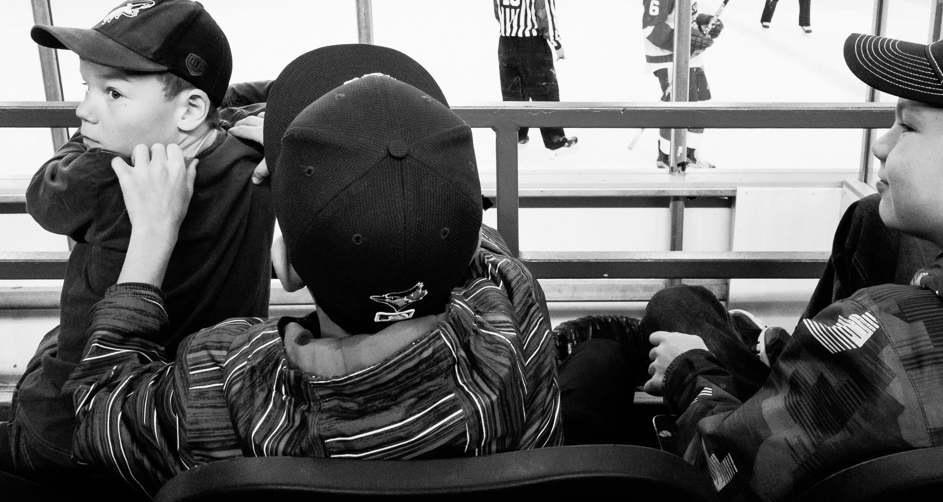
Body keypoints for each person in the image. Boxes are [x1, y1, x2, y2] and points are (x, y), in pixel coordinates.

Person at [55, 44, 563, 496]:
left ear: (288, 269)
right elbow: (470, 236)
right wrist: (377, 182)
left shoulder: (223, 379)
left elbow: (99, 410)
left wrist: (150, 239)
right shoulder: (511, 306)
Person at [561, 29, 943, 501]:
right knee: (870, 217)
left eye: (908, 127)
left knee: (672, 309)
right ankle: (779, 352)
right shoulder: (890, 317)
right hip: (825, 407)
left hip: (756, 458)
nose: (881, 145)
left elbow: (721, 472)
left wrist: (687, 373)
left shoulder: (878, 334)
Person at [0, 0, 275, 497]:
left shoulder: (107, 175)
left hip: (74, 433)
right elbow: (293, 86)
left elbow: (46, 194)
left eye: (113, 94)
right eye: (87, 86)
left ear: (193, 108)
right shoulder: (254, 153)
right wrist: (239, 113)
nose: (84, 110)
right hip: (194, 422)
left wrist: (84, 144)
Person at [643, 0, 721, 170]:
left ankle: (688, 152)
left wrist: (703, 22)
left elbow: (685, 16)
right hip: (667, 56)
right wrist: (685, 41)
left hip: (686, 54)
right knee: (678, 105)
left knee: (699, 103)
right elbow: (651, 29)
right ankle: (666, 154)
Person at [493, 0, 577, 152]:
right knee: (545, 92)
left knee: (513, 92)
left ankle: (517, 134)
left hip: (506, 44)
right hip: (532, 45)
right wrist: (557, 43)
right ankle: (555, 140)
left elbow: (497, 11)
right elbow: (546, 15)